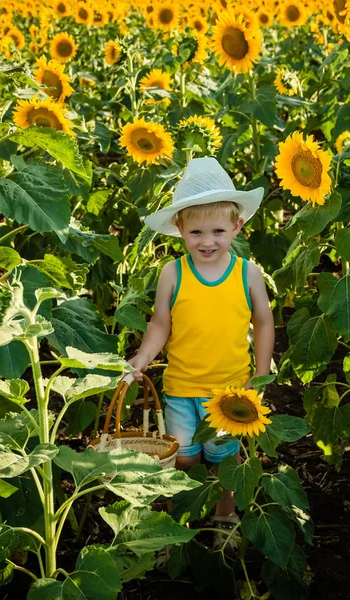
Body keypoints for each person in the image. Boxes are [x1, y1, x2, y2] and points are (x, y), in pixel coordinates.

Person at [127, 156, 275, 548]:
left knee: (225, 458)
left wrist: (259, 376)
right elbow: (161, 323)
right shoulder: (173, 273)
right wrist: (141, 359)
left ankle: (225, 514)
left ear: (237, 226)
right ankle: (177, 522)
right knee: (184, 458)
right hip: (180, 385)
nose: (207, 241)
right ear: (178, 228)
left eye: (217, 231)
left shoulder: (248, 272)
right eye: (195, 232)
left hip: (230, 391)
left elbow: (263, 321)